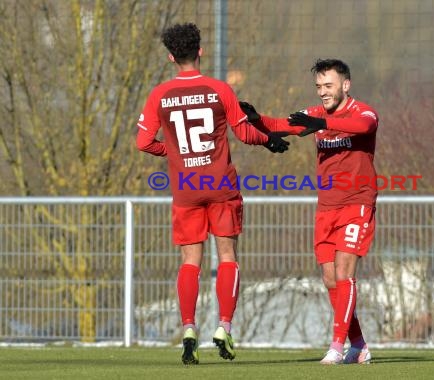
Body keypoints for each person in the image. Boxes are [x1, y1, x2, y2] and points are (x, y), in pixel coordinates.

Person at [136, 22, 289, 366]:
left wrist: (175, 152)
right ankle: (223, 327)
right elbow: (246, 134)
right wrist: (271, 140)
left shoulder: (159, 94)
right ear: (200, 51)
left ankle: (189, 329)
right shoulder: (219, 89)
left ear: (171, 56)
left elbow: (143, 142)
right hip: (221, 184)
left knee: (191, 261)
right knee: (227, 256)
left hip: (186, 188)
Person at [239, 58, 379, 365]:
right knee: (330, 280)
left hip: (357, 203)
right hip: (327, 207)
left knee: (345, 273)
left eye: (328, 86)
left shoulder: (362, 112)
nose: (323, 92)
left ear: (346, 85)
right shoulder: (314, 114)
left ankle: (336, 346)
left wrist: (324, 124)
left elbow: (365, 126)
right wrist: (256, 118)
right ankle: (359, 345)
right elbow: (281, 126)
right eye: (319, 86)